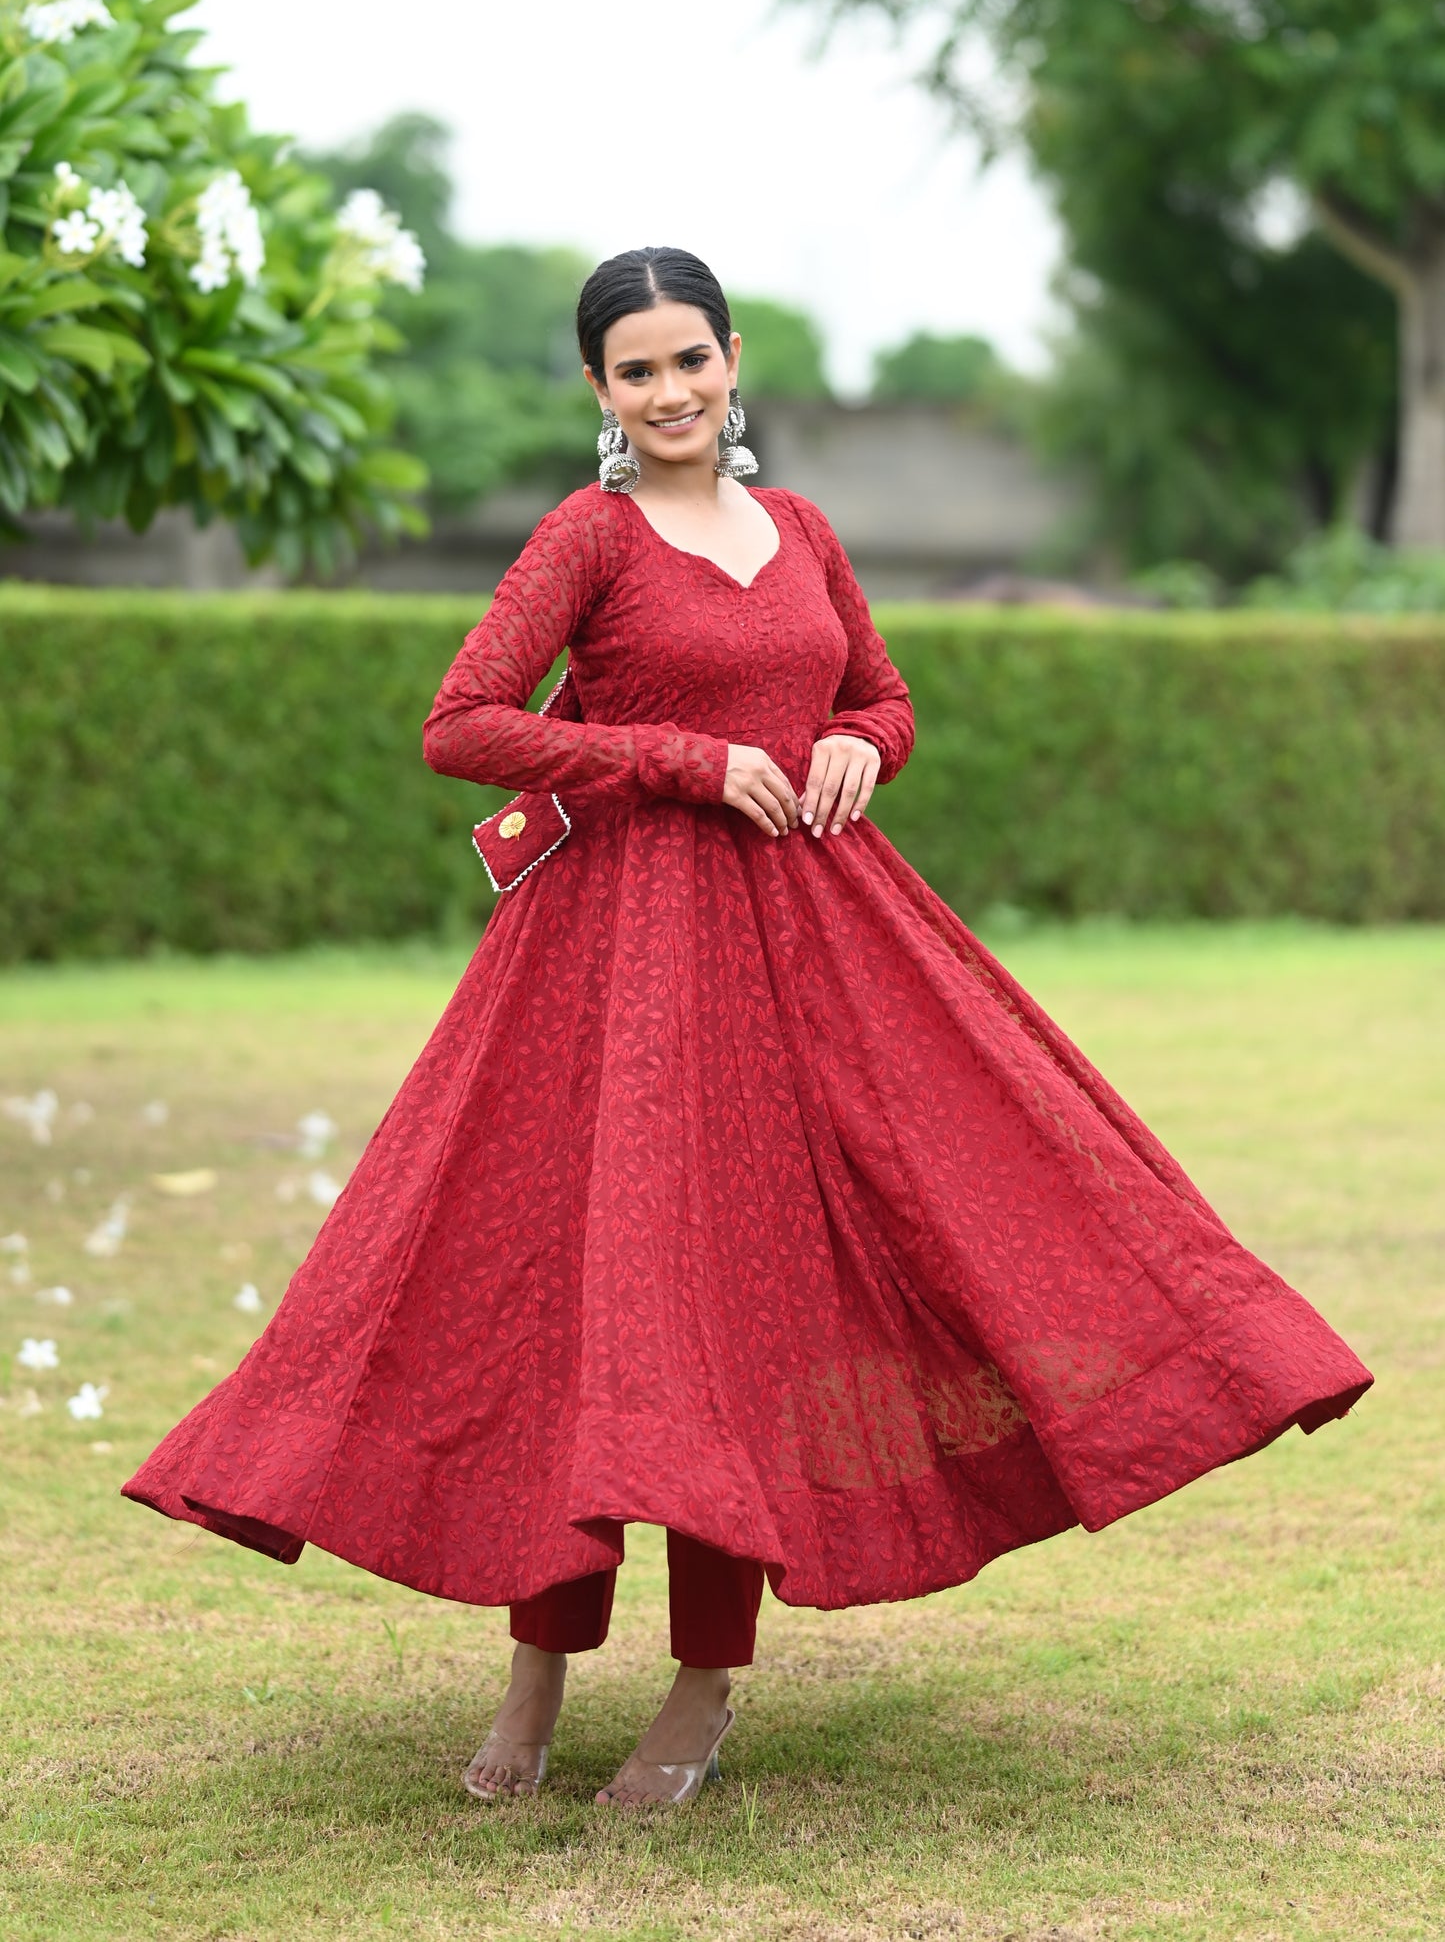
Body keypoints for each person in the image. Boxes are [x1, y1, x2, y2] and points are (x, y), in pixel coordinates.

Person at [124, 246, 1371, 1811]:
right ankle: (535, 1680)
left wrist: (860, 743)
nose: (668, 393)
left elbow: (883, 694)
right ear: (597, 389)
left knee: (743, 1302)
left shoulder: (803, 532)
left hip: (816, 950)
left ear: (731, 364)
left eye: (689, 361)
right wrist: (675, 758)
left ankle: (705, 1686)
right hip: (615, 970)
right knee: (587, 1304)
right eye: (634, 370)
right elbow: (463, 724)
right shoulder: (586, 536)